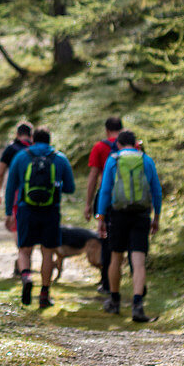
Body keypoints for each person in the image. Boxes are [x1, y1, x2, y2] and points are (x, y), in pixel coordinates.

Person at [95, 129, 162, 323]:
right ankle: (137, 305)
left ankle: (115, 301)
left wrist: (101, 218)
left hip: (118, 215)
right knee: (138, 261)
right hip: (141, 215)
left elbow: (105, 190)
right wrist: (156, 216)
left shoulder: (113, 160)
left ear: (118, 144)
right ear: (135, 144)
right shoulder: (146, 160)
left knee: (116, 257)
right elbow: (156, 191)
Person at [4, 127, 75, 309]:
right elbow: (70, 188)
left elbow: (11, 186)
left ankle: (26, 277)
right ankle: (44, 294)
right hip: (51, 211)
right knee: (47, 253)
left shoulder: (21, 157)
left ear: (33, 140)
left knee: (24, 250)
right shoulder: (59, 158)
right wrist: (56, 184)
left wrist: (8, 213)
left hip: (26, 210)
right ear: (49, 140)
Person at [84, 116, 123, 294]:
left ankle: (107, 282)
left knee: (106, 239)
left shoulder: (100, 147)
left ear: (107, 130)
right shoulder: (134, 146)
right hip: (130, 199)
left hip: (106, 197)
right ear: (122, 130)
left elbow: (93, 176)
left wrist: (88, 203)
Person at [0, 121, 33, 277]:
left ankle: (21, 263)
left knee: (17, 228)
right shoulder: (35, 149)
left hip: (17, 195)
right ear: (31, 135)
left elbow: (0, 173)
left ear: (17, 135)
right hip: (36, 195)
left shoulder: (11, 149)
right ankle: (24, 262)